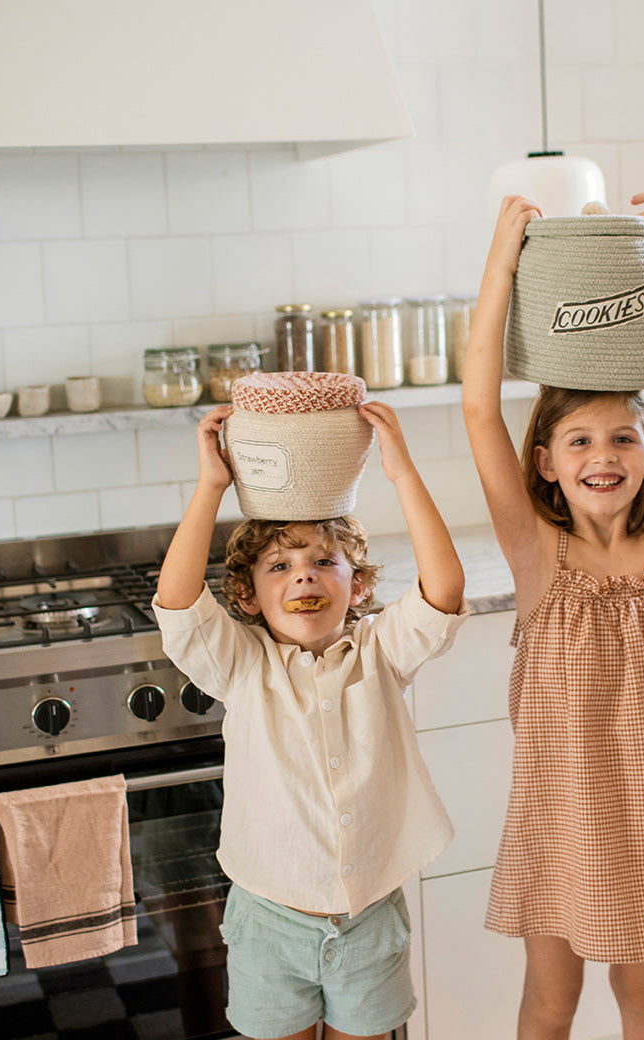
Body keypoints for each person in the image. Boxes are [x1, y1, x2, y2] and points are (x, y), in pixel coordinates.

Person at [461, 192, 644, 1040]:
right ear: (544, 463)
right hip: (561, 813)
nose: (604, 456)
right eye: (580, 441)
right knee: (550, 1005)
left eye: (624, 438)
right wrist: (501, 264)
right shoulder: (536, 555)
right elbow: (480, 407)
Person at [152, 398, 467, 1040]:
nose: (305, 577)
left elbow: (445, 589)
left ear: (358, 585)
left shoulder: (381, 652)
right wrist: (212, 486)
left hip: (370, 920)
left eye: (324, 562)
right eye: (281, 566)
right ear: (247, 596)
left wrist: (402, 473)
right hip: (270, 923)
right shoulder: (242, 666)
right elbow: (179, 602)